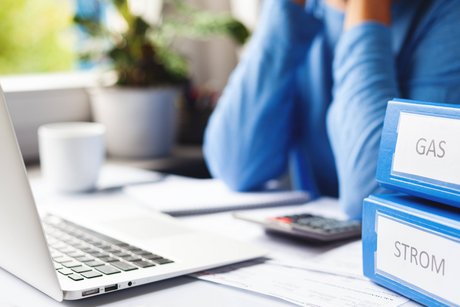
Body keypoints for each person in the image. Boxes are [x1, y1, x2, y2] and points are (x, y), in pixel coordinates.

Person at [203, 0, 460, 219]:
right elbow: (235, 166)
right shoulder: (306, 9)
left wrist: (367, 14)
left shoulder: (447, 16)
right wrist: (284, 11)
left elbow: (375, 199)